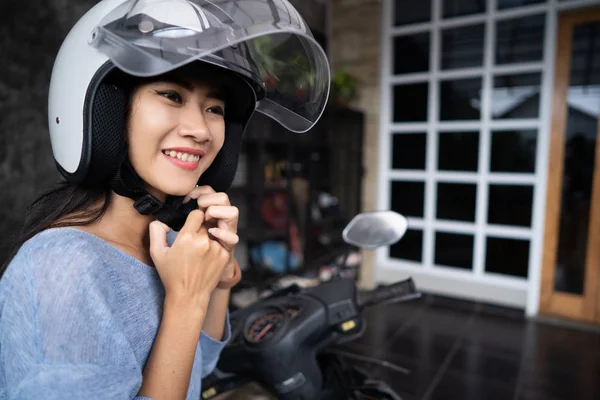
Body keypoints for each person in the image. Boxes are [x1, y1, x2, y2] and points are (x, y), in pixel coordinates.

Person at [0, 0, 330, 399]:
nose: (201, 130)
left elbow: (197, 366)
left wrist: (219, 281)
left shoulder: (170, 246)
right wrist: (187, 297)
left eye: (214, 108)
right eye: (172, 95)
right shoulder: (64, 268)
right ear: (108, 109)